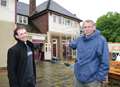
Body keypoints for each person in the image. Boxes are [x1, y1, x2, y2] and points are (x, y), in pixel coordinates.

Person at [69, 19, 109, 87]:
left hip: (93, 80)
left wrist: (99, 78)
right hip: (78, 77)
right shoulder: (80, 39)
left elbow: (105, 61)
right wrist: (69, 43)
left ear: (94, 27)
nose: (87, 29)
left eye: (89, 27)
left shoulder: (101, 40)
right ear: (82, 29)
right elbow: (73, 44)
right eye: (85, 27)